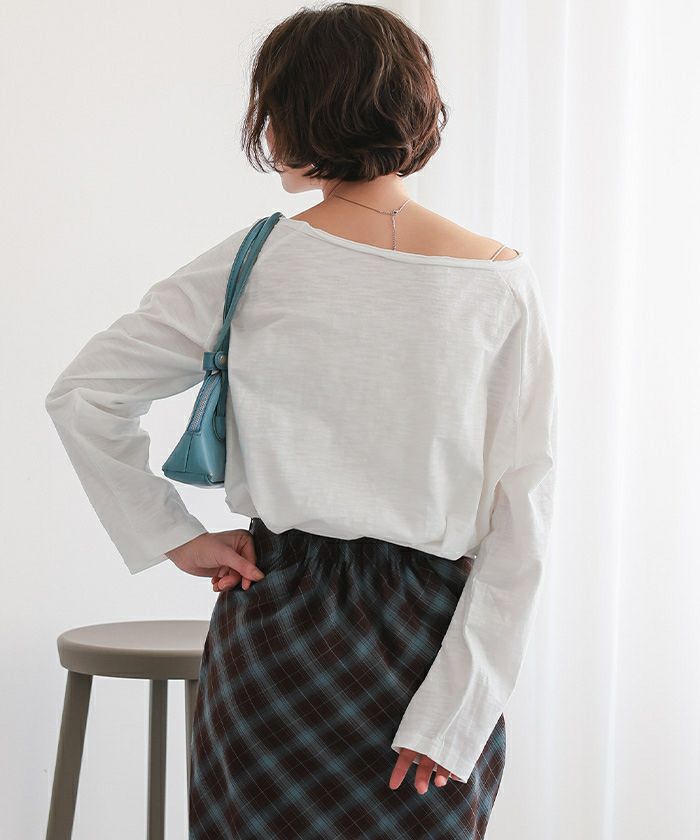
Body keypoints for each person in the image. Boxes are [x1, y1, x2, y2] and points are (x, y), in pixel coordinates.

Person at [44, 3, 557, 838]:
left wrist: (172, 535)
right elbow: (521, 518)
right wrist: (458, 713)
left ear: (293, 113)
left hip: (278, 627)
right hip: (432, 639)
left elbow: (86, 393)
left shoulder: (255, 263)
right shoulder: (499, 284)